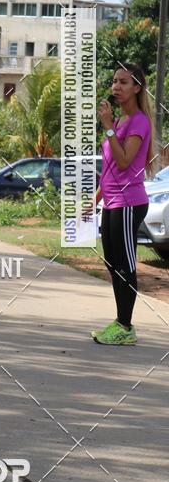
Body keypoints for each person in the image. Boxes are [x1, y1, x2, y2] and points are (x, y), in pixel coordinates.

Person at [93, 63, 153, 345]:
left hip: (130, 202)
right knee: (112, 262)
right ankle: (119, 322)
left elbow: (125, 160)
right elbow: (109, 168)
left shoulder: (139, 121)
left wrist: (106, 128)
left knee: (126, 264)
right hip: (112, 202)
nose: (116, 87)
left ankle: (126, 327)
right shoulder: (118, 121)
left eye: (124, 82)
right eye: (115, 81)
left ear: (137, 88)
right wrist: (95, 199)